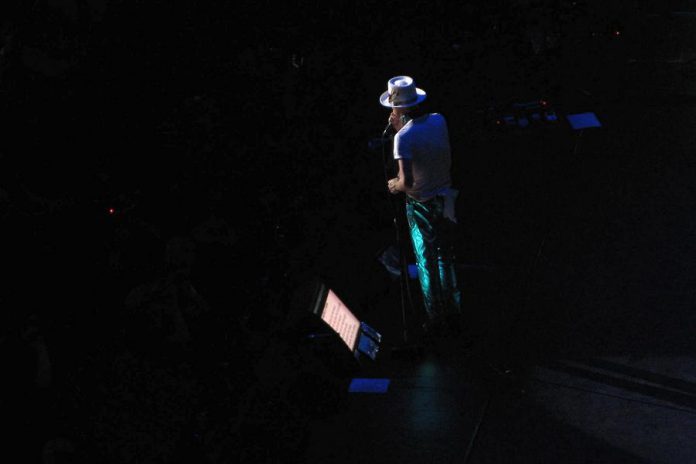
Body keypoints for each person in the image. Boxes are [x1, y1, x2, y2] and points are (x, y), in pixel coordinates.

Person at [379, 75, 462, 337]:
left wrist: (393, 185)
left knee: (426, 261)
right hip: (446, 199)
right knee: (445, 258)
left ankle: (435, 319)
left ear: (399, 109)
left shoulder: (402, 137)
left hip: (421, 205)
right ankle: (454, 311)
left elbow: (408, 181)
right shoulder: (439, 119)